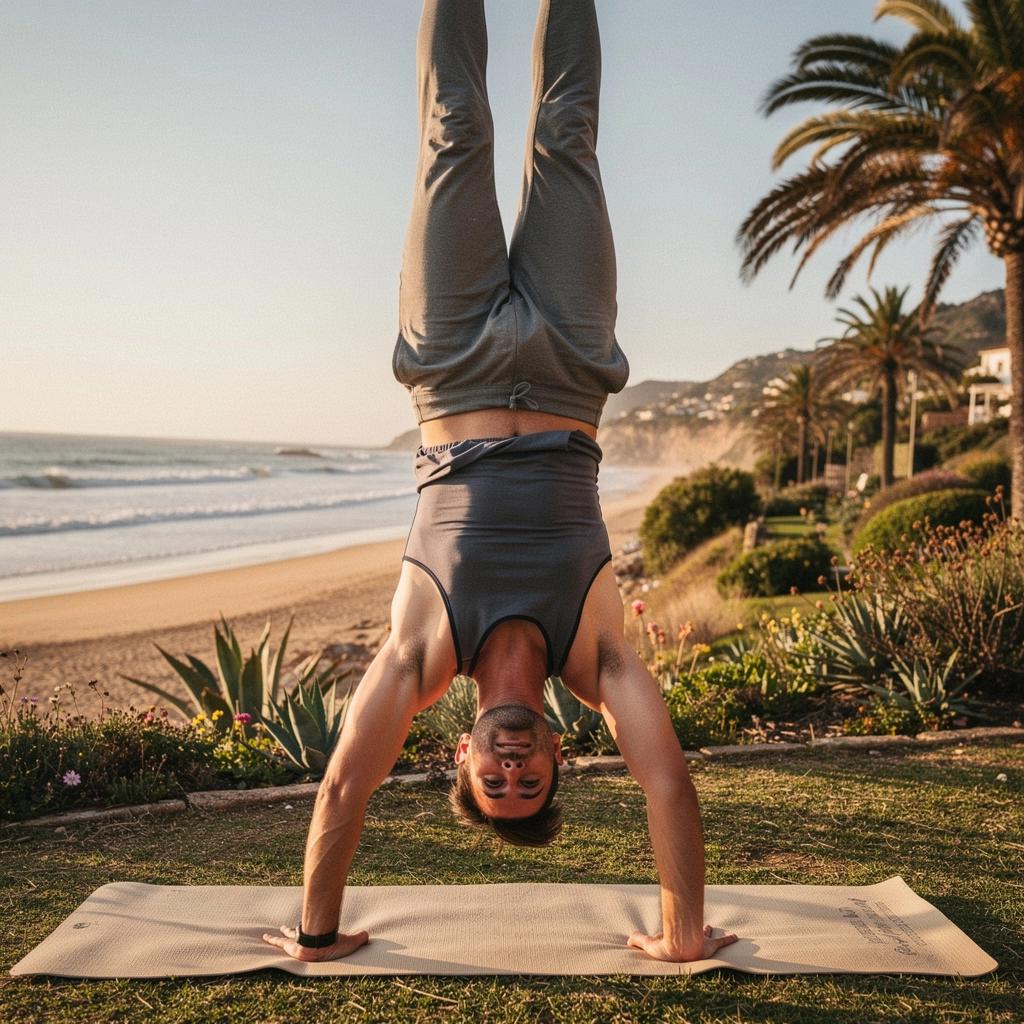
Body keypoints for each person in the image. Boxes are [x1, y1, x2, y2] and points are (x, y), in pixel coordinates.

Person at [263, 0, 738, 965]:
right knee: (569, 131)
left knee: (455, 127)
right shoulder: (598, 660)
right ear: (562, 756)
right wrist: (682, 936)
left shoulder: (419, 654)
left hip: (452, 367)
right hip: (569, 365)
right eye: (530, 783)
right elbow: (670, 785)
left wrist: (317, 932)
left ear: (463, 756)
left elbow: (345, 787)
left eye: (496, 781)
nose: (514, 769)